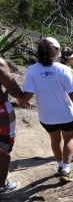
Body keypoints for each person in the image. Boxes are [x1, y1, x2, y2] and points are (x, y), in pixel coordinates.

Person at [19, 37, 73, 183]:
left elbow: (28, 94)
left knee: (55, 140)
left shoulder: (32, 70)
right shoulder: (64, 69)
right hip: (66, 114)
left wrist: (22, 102)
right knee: (70, 138)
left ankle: (60, 166)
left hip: (46, 116)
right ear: (56, 53)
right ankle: (66, 170)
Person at [0, 58, 26, 194]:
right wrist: (23, 99)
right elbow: (14, 89)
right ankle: (2, 185)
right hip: (1, 111)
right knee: (4, 147)